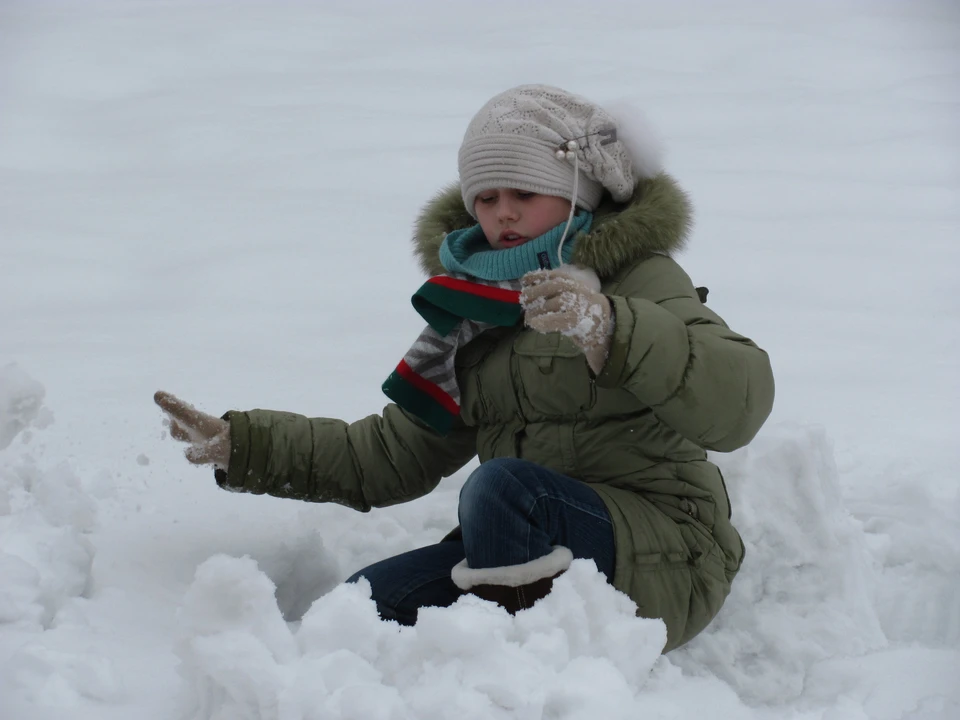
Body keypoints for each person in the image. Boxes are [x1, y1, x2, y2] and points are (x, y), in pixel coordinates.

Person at [155, 84, 774, 652]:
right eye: (486, 197)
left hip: (665, 554)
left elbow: (739, 404)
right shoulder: (473, 313)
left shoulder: (640, 279)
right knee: (361, 611)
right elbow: (388, 456)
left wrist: (613, 329)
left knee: (506, 488)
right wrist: (246, 446)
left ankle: (522, 677)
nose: (503, 213)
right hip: (525, 544)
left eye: (524, 194)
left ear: (577, 191)